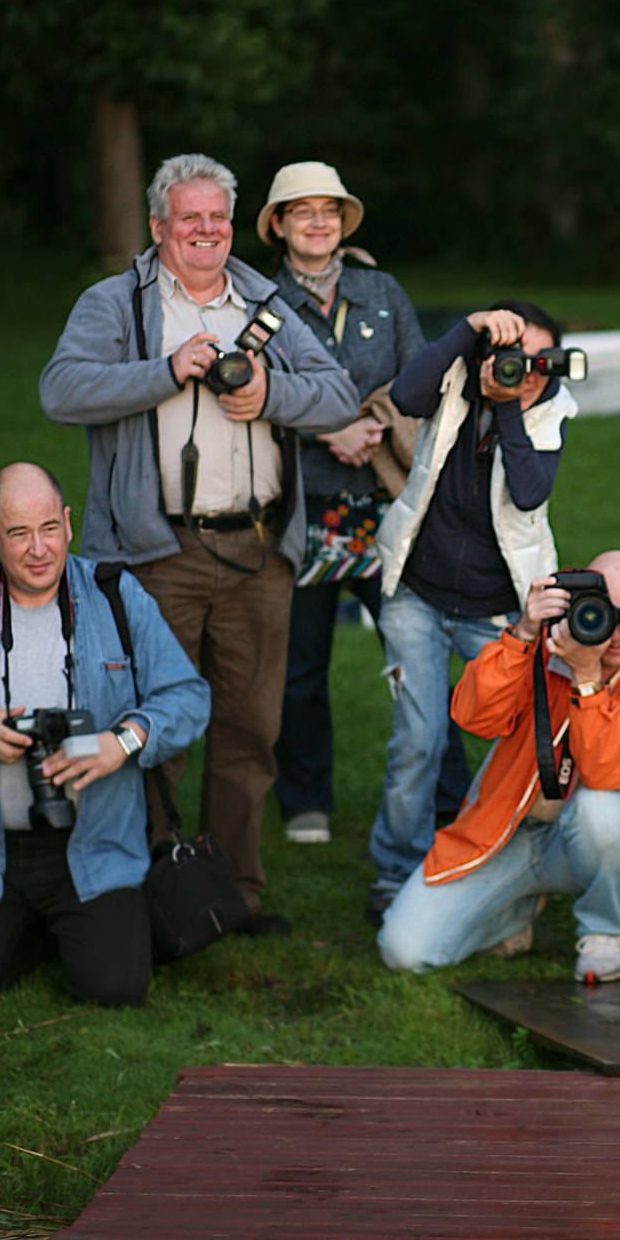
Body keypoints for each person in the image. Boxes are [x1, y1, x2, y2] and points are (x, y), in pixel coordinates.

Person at [40, 154, 360, 935]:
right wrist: (163, 370)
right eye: (191, 219)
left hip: (258, 548)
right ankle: (150, 892)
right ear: (159, 228)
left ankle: (233, 894)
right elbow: (61, 389)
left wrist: (268, 393)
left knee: (251, 730)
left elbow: (340, 395)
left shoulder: (265, 299)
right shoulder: (118, 302)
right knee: (155, 728)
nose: (208, 232)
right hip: (159, 552)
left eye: (219, 218)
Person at [0, 464, 210, 1010]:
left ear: (69, 524)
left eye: (49, 528)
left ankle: (74, 923)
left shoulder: (117, 596)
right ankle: (34, 926)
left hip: (95, 842)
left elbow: (189, 699)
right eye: (18, 533)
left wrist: (119, 743)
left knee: (114, 988)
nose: (38, 550)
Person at [363, 300, 577, 927]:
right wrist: (469, 330)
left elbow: (530, 490)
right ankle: (395, 872)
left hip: (501, 610)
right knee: (418, 742)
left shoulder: (552, 412)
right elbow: (404, 395)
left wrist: (508, 404)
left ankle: (491, 856)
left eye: (541, 359)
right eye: (513, 355)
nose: (527, 370)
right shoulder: (457, 375)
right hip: (417, 595)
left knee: (512, 742)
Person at [378, 551, 620, 982]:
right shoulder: (543, 648)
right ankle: (516, 910)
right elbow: (473, 716)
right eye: (603, 612)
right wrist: (523, 633)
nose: (616, 630)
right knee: (403, 951)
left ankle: (605, 931)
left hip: (592, 839)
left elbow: (610, 774)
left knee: (605, 811)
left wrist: (586, 679)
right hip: (509, 833)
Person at [253, 160, 430, 851]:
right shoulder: (258, 299)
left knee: (413, 655)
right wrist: (328, 428)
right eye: (302, 211)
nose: (318, 221)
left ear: (343, 221)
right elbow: (248, 398)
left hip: (386, 505)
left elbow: (422, 376)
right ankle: (305, 801)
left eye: (329, 209)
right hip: (303, 509)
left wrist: (380, 423)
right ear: (279, 225)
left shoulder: (380, 290)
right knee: (300, 664)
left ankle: (441, 796)